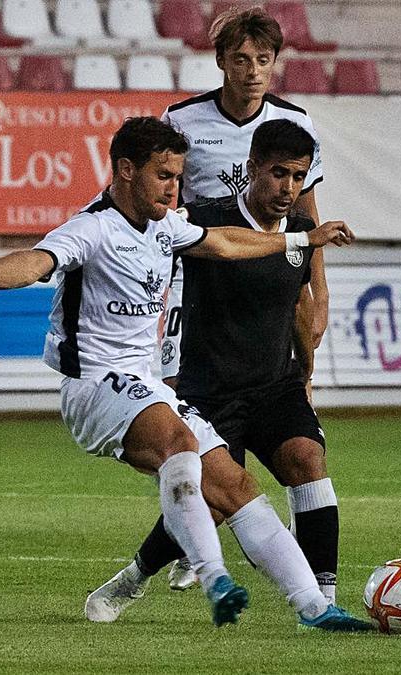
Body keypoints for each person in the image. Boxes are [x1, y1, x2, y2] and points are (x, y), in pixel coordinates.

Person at [0, 116, 369, 631]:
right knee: (179, 443)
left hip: (141, 384)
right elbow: (34, 263)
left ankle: (315, 608)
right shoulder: (92, 228)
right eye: (164, 175)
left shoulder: (165, 226)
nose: (175, 187)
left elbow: (227, 243)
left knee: (235, 486)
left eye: (178, 175)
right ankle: (214, 577)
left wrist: (303, 241)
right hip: (95, 385)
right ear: (126, 170)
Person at [86, 119, 343, 622]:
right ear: (251, 169)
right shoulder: (202, 220)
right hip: (211, 391)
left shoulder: (298, 234)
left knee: (307, 461)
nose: (287, 188)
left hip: (275, 386)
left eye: (297, 177)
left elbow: (297, 309)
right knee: (218, 503)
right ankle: (135, 576)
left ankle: (323, 602)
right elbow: (148, 262)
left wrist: (306, 376)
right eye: (277, 174)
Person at [154, 4, 336, 594]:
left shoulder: (295, 122)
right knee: (188, 414)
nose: (253, 71)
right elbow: (167, 205)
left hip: (271, 278)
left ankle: (221, 537)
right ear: (221, 63)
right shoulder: (183, 120)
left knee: (285, 424)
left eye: (264, 60)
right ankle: (196, 529)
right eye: (241, 60)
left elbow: (306, 214)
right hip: (199, 278)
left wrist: (317, 288)